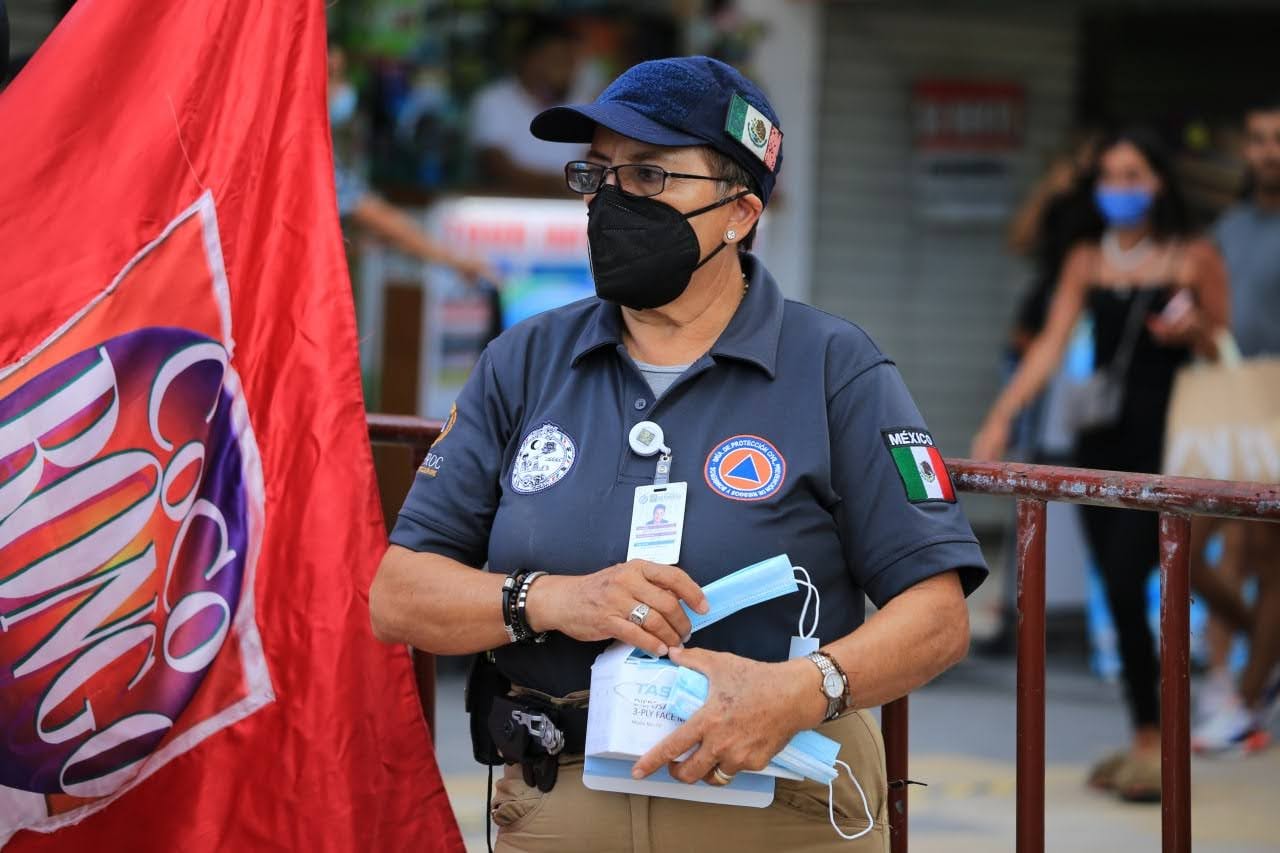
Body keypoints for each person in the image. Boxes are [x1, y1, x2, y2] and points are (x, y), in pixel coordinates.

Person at [371, 56, 987, 852]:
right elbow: (399, 594)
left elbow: (938, 617)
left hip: (779, 810)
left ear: (740, 212)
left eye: (651, 175)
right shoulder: (524, 361)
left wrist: (799, 691)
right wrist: (553, 598)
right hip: (561, 807)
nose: (613, 200)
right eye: (599, 174)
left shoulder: (836, 366)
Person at [973, 128, 1229, 802]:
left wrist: (1193, 331)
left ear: (1161, 182)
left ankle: (1156, 738)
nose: (1121, 188)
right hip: (1099, 442)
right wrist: (1002, 414)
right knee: (1114, 594)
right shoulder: (1087, 259)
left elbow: (1225, 351)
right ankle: (1148, 731)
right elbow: (1049, 344)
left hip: (1170, 446)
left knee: (1125, 582)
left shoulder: (1193, 254)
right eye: (1110, 176)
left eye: (1134, 174)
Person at [1190, 99, 1280, 755]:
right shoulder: (1229, 226)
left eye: (1279, 139)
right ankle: (1250, 668)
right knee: (1189, 548)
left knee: (1268, 556)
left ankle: (1246, 701)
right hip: (1227, 405)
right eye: (1257, 138)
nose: (1268, 149)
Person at [328, 43, 496, 283]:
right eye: (332, 75)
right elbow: (374, 214)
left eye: (341, 74)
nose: (342, 87)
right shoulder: (299, 147)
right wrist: (454, 259)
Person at [468, 15, 583, 196]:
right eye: (557, 58)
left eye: (571, 60)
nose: (567, 69)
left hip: (571, 214)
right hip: (508, 214)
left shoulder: (583, 104)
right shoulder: (493, 100)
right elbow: (497, 167)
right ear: (529, 59)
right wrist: (555, 184)